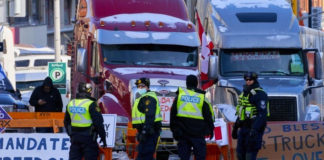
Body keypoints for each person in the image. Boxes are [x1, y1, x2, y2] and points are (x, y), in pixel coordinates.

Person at [170, 75, 214, 160]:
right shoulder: (202, 97)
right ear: (197, 84)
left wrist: (174, 130)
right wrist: (211, 129)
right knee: (200, 156)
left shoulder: (179, 96)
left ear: (186, 84)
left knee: (184, 157)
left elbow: (173, 115)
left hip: (183, 134)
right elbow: (209, 116)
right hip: (198, 134)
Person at [64, 82, 107, 160]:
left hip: (75, 138)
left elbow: (66, 122)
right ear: (89, 91)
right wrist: (103, 137)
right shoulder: (91, 104)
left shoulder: (71, 103)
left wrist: (71, 134)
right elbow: (98, 123)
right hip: (89, 138)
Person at [231, 72, 269, 160]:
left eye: (250, 80)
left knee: (250, 156)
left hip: (253, 128)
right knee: (240, 155)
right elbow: (241, 110)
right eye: (246, 80)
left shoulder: (260, 94)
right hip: (243, 128)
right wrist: (235, 127)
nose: (248, 82)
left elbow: (262, 114)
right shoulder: (244, 93)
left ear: (254, 80)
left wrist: (255, 129)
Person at [131, 77, 162, 160]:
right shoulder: (143, 97)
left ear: (147, 87)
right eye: (139, 86)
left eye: (142, 86)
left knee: (145, 155)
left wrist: (145, 131)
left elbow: (150, 115)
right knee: (144, 154)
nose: (140, 88)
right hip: (146, 130)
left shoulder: (148, 98)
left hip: (149, 131)